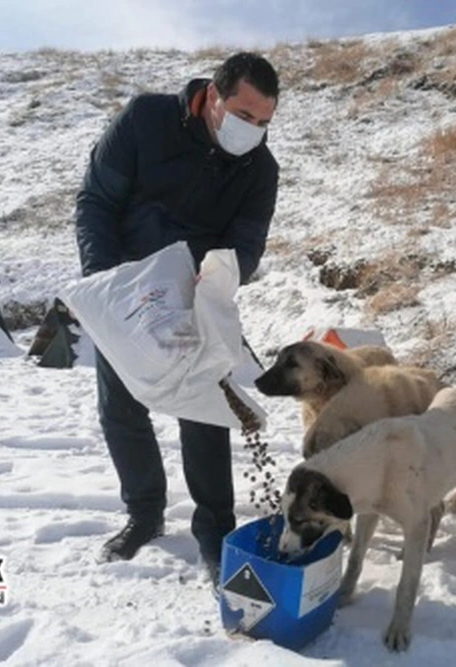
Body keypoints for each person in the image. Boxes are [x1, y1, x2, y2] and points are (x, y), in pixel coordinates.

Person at [73, 53, 280, 585]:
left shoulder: (261, 169)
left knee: (206, 411)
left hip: (194, 298)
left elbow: (247, 241)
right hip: (126, 292)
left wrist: (219, 278)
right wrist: (107, 283)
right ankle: (143, 514)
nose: (251, 131)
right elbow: (96, 201)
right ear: (213, 96)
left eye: (263, 122)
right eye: (243, 114)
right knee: (121, 409)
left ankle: (214, 531)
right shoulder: (146, 120)